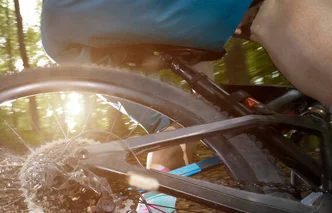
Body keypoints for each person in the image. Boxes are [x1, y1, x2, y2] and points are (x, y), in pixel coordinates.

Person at [41, 0, 332, 170]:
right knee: (281, 7)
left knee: (183, 119)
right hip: (89, 14)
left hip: (73, 31)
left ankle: (154, 211)